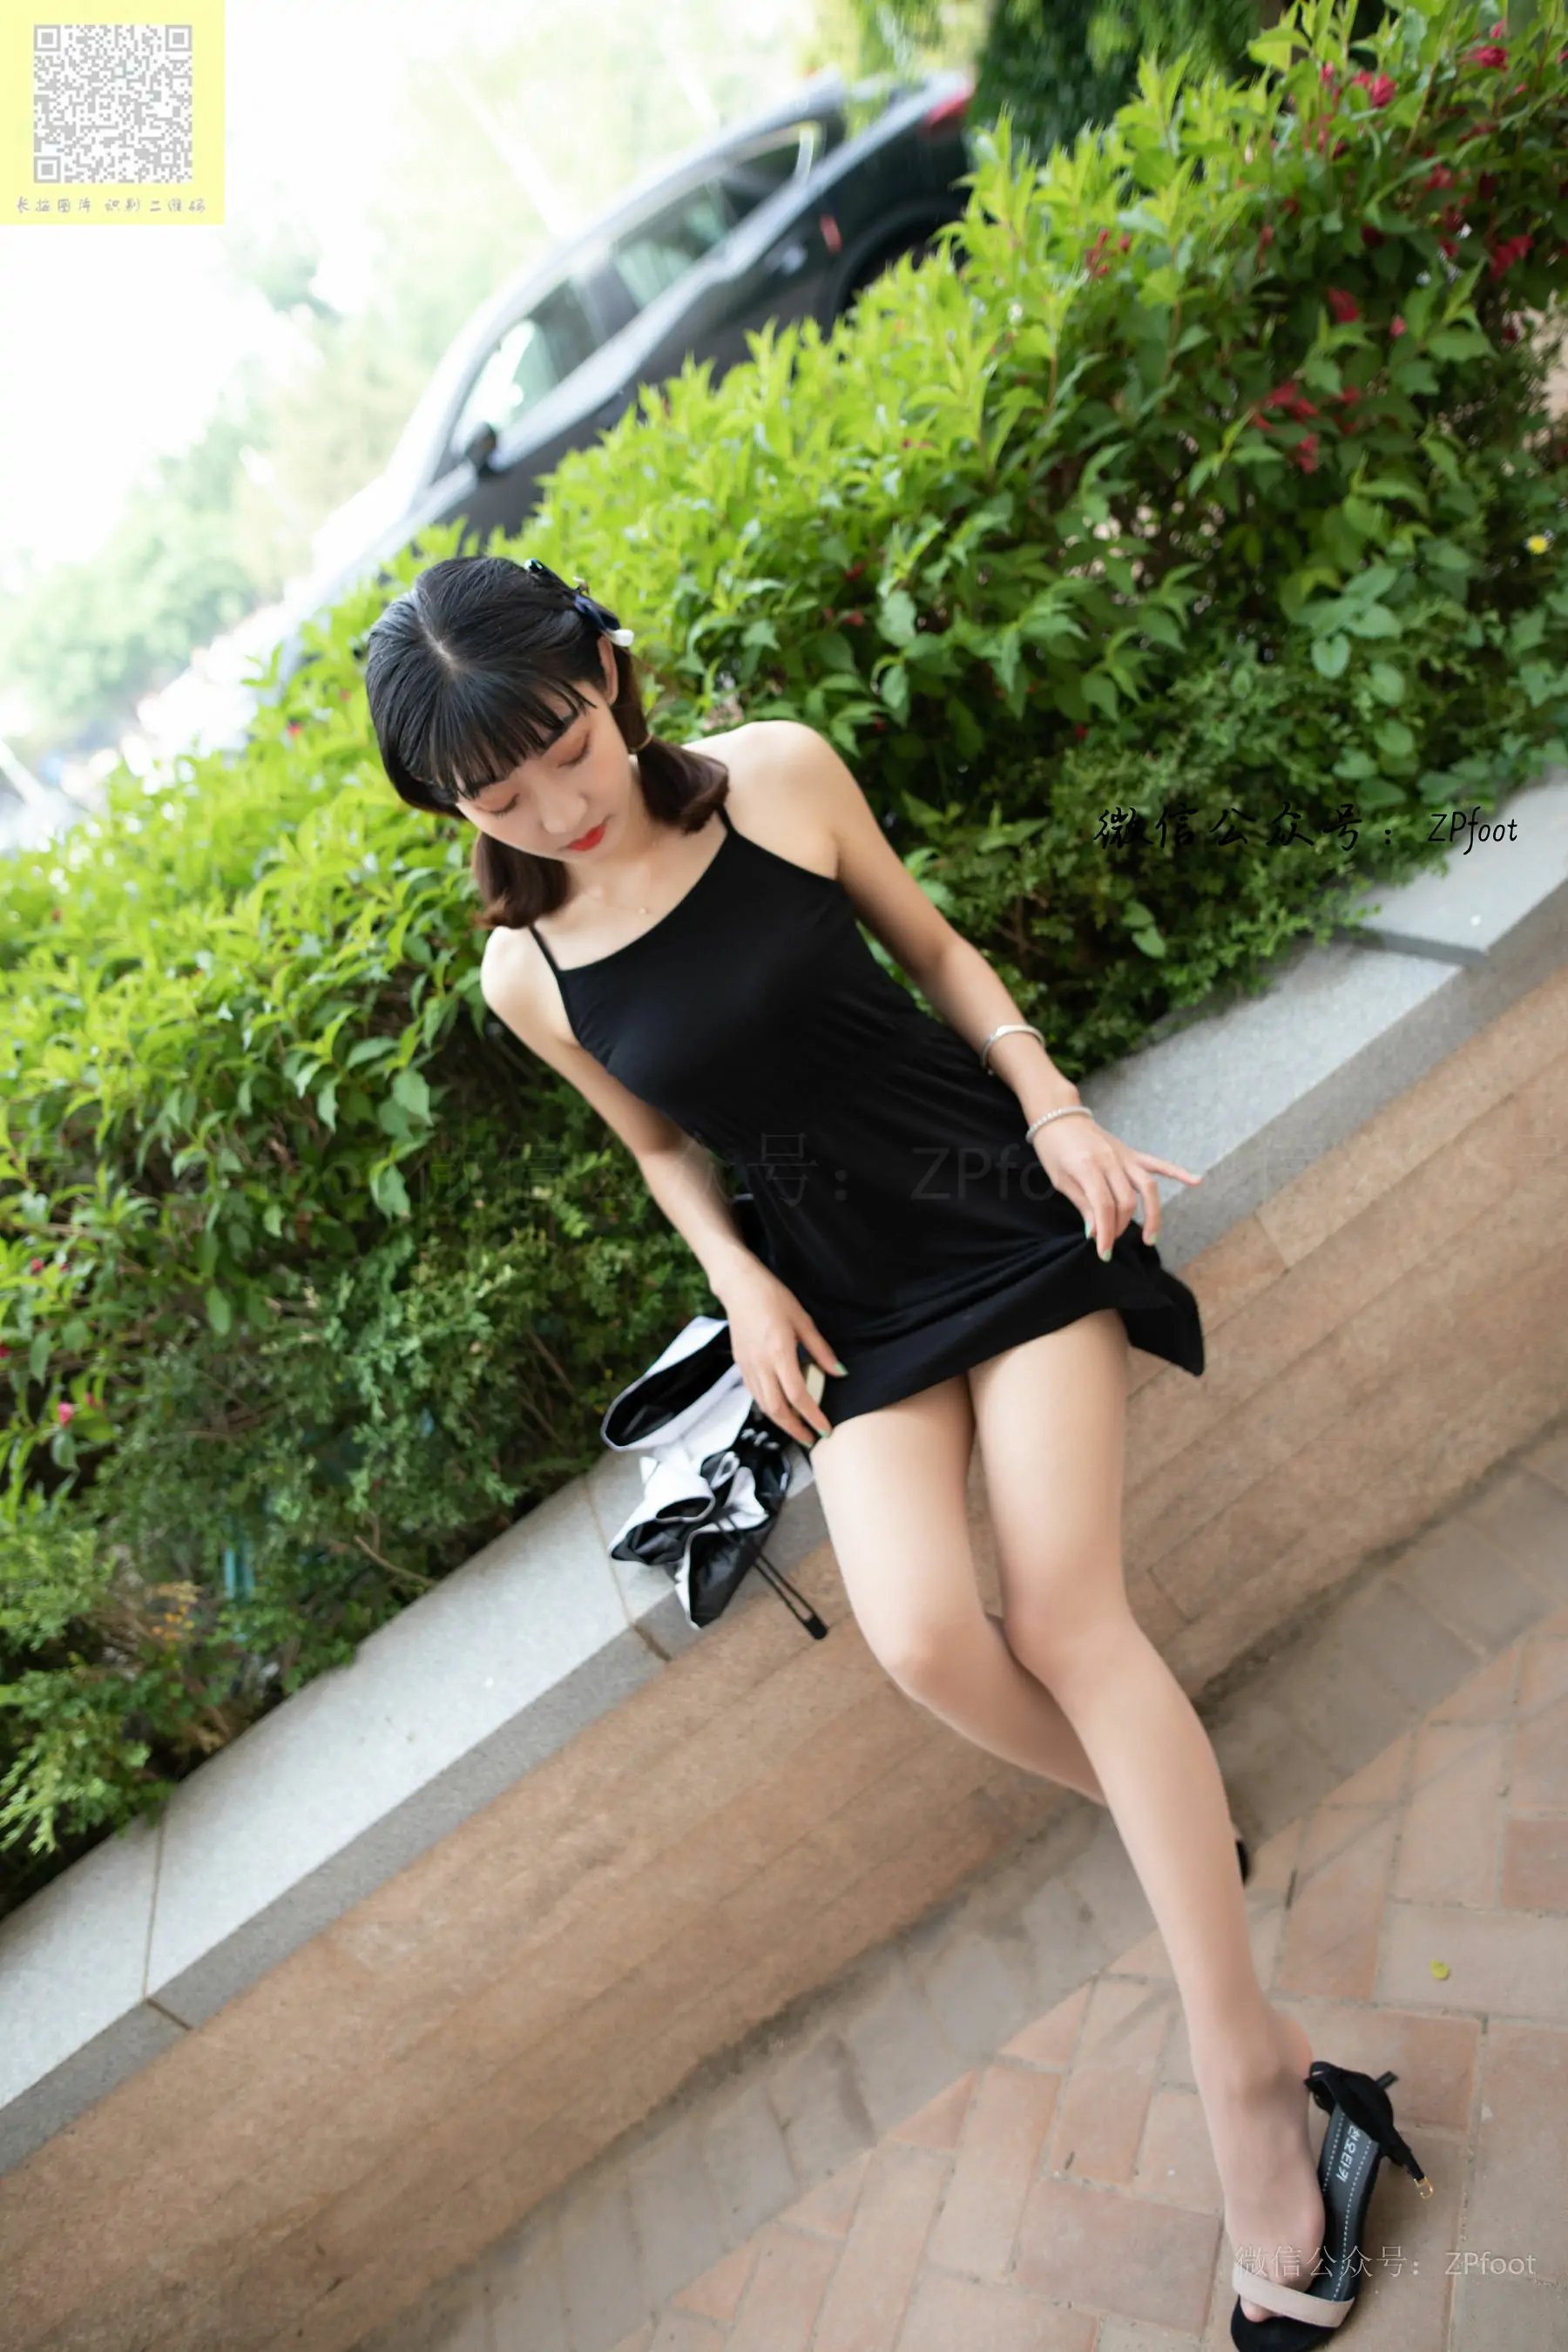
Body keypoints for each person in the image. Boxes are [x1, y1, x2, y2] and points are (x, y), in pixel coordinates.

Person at [362, 552, 1427, 2348]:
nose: (556, 807)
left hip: (993, 1206)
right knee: (926, 1639)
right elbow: (662, 1148)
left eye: (565, 748)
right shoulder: (524, 973)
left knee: (1067, 1620)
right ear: (451, 807)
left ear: (608, 668)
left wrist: (1058, 1107)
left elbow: (933, 949)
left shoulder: (774, 774)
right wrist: (736, 1281)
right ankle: (1185, 1839)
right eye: (499, 796)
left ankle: (1254, 2085)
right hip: (837, 1292)